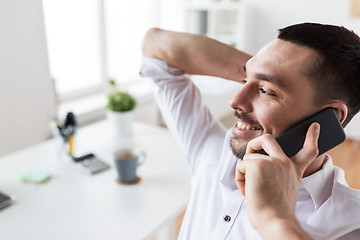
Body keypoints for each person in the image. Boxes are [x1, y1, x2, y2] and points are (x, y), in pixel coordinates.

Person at [140, 23, 360, 239]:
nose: (235, 101)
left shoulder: (351, 225)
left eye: (266, 91)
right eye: (244, 79)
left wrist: (272, 218)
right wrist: (265, 69)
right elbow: (155, 46)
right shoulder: (216, 153)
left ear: (332, 117)